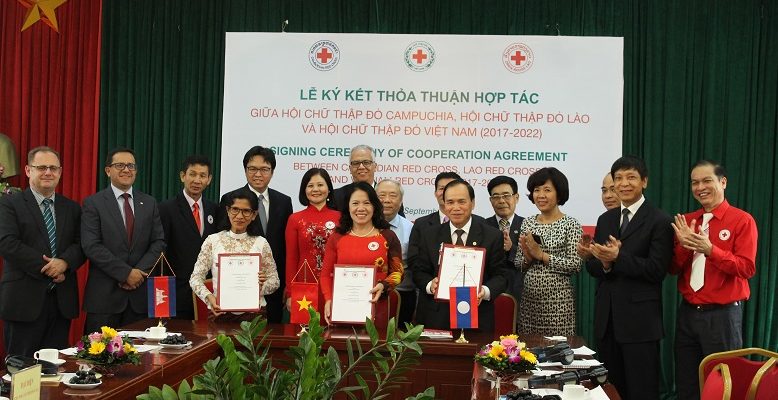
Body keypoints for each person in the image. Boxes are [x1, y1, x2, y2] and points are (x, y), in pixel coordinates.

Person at [584, 156, 673, 400]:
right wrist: (603, 263)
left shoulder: (660, 220)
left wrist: (618, 257)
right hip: (607, 321)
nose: (624, 184)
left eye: (631, 177)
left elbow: (656, 270)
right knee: (610, 391)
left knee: (641, 391)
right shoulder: (606, 219)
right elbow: (595, 268)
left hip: (640, 324)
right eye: (618, 178)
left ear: (644, 181)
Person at [670, 160, 758, 400]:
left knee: (724, 384)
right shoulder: (687, 221)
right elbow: (673, 268)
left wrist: (711, 250)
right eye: (694, 183)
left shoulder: (742, 220)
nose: (700, 187)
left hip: (723, 317)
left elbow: (747, 268)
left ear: (723, 182)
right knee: (687, 383)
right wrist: (686, 246)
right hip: (687, 314)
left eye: (706, 180)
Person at [0, 147, 85, 356]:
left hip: (61, 303)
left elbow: (82, 244)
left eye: (53, 168)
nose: (48, 172)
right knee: (22, 374)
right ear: (28, 170)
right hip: (23, 301)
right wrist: (50, 267)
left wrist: (64, 263)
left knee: (56, 372)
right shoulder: (9, 204)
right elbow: (7, 243)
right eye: (42, 167)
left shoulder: (72, 208)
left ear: (60, 172)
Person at [81, 148, 166, 334]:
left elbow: (158, 242)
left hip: (140, 298)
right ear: (107, 170)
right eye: (120, 165)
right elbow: (91, 245)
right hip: (104, 300)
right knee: (99, 359)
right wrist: (125, 273)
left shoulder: (149, 202)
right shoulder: (93, 203)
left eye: (131, 166)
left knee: (141, 359)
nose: (126, 170)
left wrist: (138, 273)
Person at [412, 179, 508, 332]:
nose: (456, 208)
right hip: (436, 317)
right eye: (450, 202)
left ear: (472, 203)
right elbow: (418, 271)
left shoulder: (492, 235)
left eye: (462, 201)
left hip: (478, 317)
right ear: (444, 204)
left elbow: (501, 275)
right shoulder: (429, 235)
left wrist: (484, 291)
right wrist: (431, 285)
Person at [219, 146, 292, 323]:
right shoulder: (229, 199)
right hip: (238, 287)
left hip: (272, 287)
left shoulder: (284, 201)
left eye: (264, 169)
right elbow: (223, 242)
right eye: (252, 169)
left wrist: (284, 286)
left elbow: (286, 246)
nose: (258, 174)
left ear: (272, 172)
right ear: (245, 170)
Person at [320, 182, 403, 325]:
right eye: (355, 203)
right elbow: (325, 274)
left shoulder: (388, 236)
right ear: (348, 207)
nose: (361, 208)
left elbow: (398, 272)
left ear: (375, 206)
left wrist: (384, 285)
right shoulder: (337, 237)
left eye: (366, 203)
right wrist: (328, 299)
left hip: (378, 306)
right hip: (342, 308)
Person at [190, 189, 280, 320]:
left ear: (254, 215)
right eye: (235, 209)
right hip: (219, 312)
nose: (239, 216)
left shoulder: (261, 243)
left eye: (246, 211)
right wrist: (210, 299)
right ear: (227, 210)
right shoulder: (212, 241)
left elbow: (275, 281)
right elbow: (195, 278)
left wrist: (260, 286)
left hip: (255, 315)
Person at [514, 168, 582, 336]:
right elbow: (518, 264)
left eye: (547, 190)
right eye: (536, 190)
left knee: (557, 354)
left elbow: (575, 265)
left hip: (559, 303)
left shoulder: (571, 224)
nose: (540, 195)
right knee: (528, 354)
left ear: (559, 194)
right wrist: (528, 258)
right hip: (529, 302)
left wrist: (541, 255)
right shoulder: (528, 223)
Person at [159, 155, 219, 319]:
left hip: (208, 293)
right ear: (182, 176)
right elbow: (161, 252)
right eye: (192, 174)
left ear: (209, 179)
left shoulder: (215, 209)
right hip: (178, 292)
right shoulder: (166, 208)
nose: (197, 180)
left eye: (202, 175)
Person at [284, 168, 340, 314]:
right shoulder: (294, 219)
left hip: (335, 285)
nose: (315, 189)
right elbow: (291, 258)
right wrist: (290, 292)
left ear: (329, 189)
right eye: (310, 186)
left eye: (320, 185)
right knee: (304, 332)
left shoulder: (341, 218)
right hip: (304, 285)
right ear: (304, 190)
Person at [376, 179, 415, 326]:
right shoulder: (362, 226)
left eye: (392, 195)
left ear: (401, 200)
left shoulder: (411, 229)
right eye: (382, 195)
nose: (386, 200)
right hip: (367, 292)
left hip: (401, 295)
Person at [484, 175, 524, 313]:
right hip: (488, 297)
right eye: (496, 197)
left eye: (506, 195)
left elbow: (533, 261)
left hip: (521, 294)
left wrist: (511, 249)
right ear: (490, 200)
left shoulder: (528, 225)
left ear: (516, 197)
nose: (501, 201)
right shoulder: (482, 226)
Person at [407, 171, 462, 269]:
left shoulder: (480, 223)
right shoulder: (421, 224)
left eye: (451, 188)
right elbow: (414, 260)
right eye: (442, 188)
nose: (446, 192)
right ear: (435, 193)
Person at [332, 145, 405, 217]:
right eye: (356, 163)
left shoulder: (389, 197)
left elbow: (399, 224)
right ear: (350, 168)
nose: (361, 167)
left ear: (375, 167)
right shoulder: (336, 196)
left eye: (366, 162)